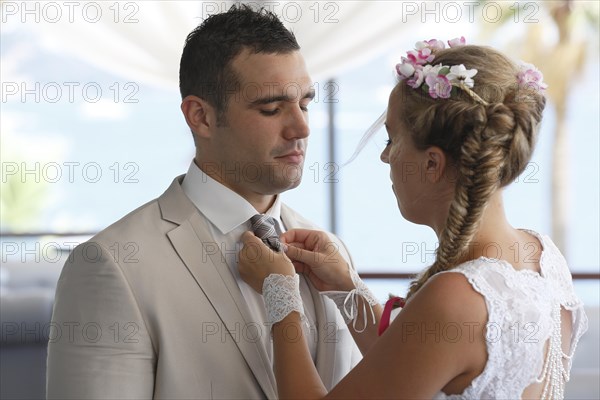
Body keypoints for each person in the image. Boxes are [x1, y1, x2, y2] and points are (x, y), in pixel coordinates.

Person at [238, 38, 588, 399]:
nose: (385, 157)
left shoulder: (456, 297)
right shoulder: (543, 257)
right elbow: (418, 364)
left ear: (432, 163)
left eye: (392, 139)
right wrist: (346, 288)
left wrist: (280, 294)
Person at [46, 5, 361, 399]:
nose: (302, 128)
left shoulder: (332, 255)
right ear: (201, 117)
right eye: (271, 107)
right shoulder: (112, 265)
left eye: (305, 103)